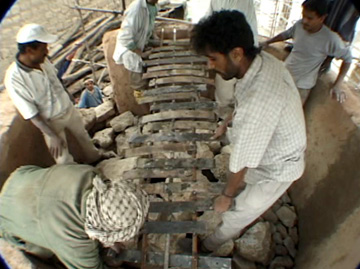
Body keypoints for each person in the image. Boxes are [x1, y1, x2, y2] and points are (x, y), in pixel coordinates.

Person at [191, 10, 306, 252]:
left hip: (279, 167)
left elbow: (242, 160)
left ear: (236, 53)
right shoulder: (262, 62)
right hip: (271, 146)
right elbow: (244, 101)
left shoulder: (259, 102)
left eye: (213, 58)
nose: (209, 66)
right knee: (242, 182)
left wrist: (226, 196)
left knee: (239, 211)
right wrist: (228, 121)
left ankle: (210, 245)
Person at [0, 164, 149, 268]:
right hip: (5, 217)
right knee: (44, 253)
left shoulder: (90, 175)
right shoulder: (75, 242)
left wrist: (111, 241)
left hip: (19, 178)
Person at [4, 24, 101, 164]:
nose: (47, 52)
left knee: (84, 138)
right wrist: (52, 135)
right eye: (43, 49)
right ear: (29, 50)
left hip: (68, 109)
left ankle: (96, 159)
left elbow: (57, 81)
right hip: (50, 122)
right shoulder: (14, 79)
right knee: (62, 157)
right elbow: (32, 114)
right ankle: (77, 180)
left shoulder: (42, 61)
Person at [261, 0, 353, 104]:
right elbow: (286, 34)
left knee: (291, 116)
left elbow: (348, 59)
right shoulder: (299, 26)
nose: (304, 21)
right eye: (303, 16)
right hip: (284, 76)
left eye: (310, 18)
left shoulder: (330, 39)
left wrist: (338, 84)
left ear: (322, 18)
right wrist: (267, 42)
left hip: (301, 87)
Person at [205, 0, 259, 120]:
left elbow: (232, 32)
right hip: (227, 51)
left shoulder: (239, 3)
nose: (209, 66)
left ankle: (227, 119)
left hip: (235, 50)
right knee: (224, 95)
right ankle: (223, 118)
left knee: (232, 94)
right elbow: (209, 19)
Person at [113, 0, 159, 90]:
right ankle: (141, 102)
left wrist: (154, 36)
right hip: (130, 50)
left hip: (141, 43)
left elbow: (149, 23)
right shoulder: (136, 10)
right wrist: (140, 53)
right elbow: (124, 38)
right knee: (139, 84)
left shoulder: (153, 5)